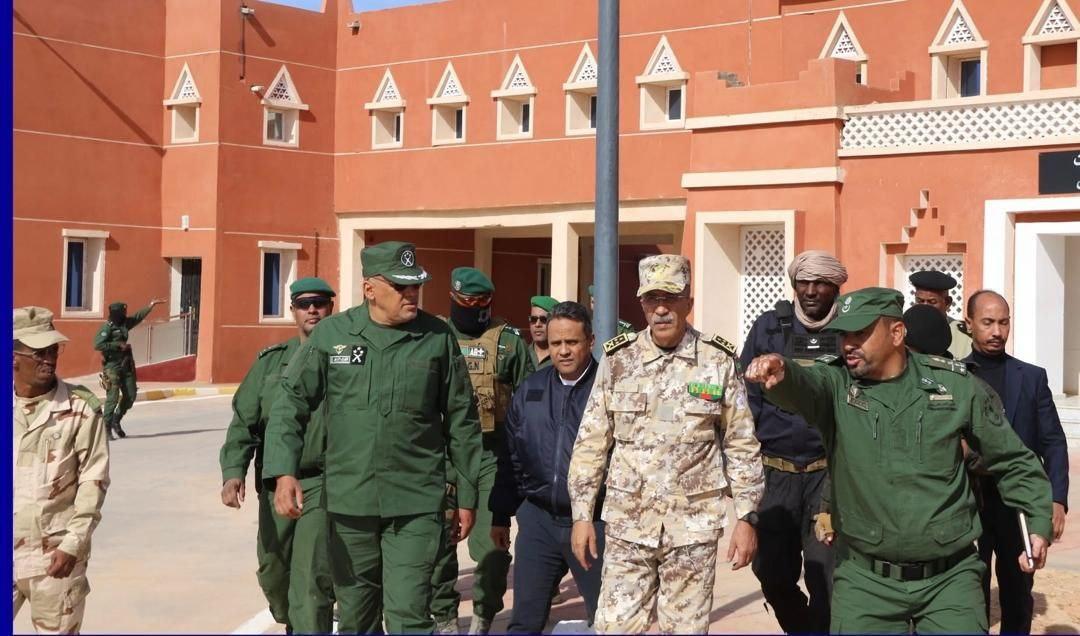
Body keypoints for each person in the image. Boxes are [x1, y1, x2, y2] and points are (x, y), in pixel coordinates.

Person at [744, 287, 1055, 634]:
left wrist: (1037, 522)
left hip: (950, 580)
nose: (848, 344)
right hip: (866, 582)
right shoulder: (836, 383)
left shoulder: (954, 387)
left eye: (860, 333)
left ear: (896, 333)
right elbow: (805, 384)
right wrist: (783, 372)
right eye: (844, 334)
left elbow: (1013, 460)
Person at [262, 242, 483, 634]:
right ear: (369, 289)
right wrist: (284, 471)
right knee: (357, 618)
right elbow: (290, 403)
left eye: (415, 286)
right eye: (400, 286)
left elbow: (462, 419)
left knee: (409, 617)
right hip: (350, 502)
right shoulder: (333, 335)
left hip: (416, 502)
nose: (411, 294)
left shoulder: (436, 337)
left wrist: (466, 495)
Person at [568, 254, 764, 634]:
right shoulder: (618, 359)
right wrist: (581, 515)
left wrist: (746, 517)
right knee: (614, 628)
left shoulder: (718, 361)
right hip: (628, 525)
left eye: (670, 298)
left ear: (688, 302)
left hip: (692, 528)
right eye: (651, 299)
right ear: (641, 303)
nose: (660, 309)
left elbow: (741, 444)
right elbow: (591, 442)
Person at [218, 277, 337, 633]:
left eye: (319, 303)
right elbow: (244, 423)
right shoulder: (270, 363)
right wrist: (233, 471)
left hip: (322, 481)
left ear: (331, 308)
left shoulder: (344, 359)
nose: (312, 310)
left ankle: (305, 626)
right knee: (273, 570)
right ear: (293, 311)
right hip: (275, 484)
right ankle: (293, 621)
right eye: (304, 304)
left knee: (311, 575)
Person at [738, 250, 846, 634]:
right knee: (772, 575)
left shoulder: (850, 330)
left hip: (827, 477)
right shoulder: (768, 327)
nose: (811, 291)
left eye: (821, 284)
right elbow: (745, 402)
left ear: (836, 287)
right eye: (804, 283)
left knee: (827, 579)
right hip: (775, 475)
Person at [491, 301, 605, 633]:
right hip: (538, 521)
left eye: (572, 342)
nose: (563, 351)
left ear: (590, 341)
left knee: (609, 621)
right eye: (556, 343)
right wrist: (501, 514)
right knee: (524, 622)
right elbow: (511, 455)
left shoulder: (609, 390)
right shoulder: (531, 389)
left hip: (595, 523)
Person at [430, 267, 533, 635]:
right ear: (452, 299)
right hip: (442, 456)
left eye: (479, 303)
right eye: (464, 302)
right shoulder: (434, 336)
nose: (472, 309)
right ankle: (443, 616)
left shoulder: (509, 342)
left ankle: (484, 615)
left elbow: (529, 400)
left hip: (490, 455)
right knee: (437, 541)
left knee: (492, 545)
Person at [962, 289, 1069, 634]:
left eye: (1004, 322)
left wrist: (1056, 499)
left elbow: (1053, 441)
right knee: (968, 592)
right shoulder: (955, 376)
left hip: (1018, 504)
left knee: (1018, 593)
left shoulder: (1032, 377)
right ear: (969, 323)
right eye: (988, 322)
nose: (997, 331)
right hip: (970, 503)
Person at [14, 306, 110, 634]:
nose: (49, 359)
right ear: (13, 357)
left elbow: (94, 479)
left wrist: (73, 544)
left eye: (53, 350)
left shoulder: (81, 409)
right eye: (39, 352)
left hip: (54, 559)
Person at [93, 298, 165, 440]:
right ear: (117, 313)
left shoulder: (124, 323)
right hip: (112, 366)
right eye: (123, 312)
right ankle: (106, 427)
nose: (125, 314)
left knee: (131, 395)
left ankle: (116, 419)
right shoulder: (107, 327)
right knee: (112, 398)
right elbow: (98, 344)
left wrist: (150, 306)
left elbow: (137, 317)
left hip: (126, 364)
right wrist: (117, 345)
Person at [909, 270, 971, 359]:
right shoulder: (904, 330)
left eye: (932, 302)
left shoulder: (964, 338)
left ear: (947, 303)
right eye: (920, 301)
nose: (925, 306)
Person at [527, 295, 558, 370]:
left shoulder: (560, 356)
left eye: (543, 319)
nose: (537, 324)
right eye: (533, 319)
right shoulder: (522, 354)